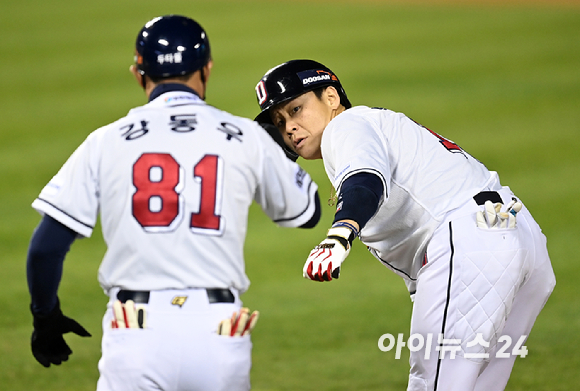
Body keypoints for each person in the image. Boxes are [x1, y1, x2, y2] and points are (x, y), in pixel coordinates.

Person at [26, 17, 321, 391]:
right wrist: (268, 148)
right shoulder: (244, 135)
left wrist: (45, 317)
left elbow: (45, 249)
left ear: (139, 73)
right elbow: (307, 212)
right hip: (219, 334)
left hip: (134, 333)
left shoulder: (105, 140)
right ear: (206, 70)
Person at [253, 59, 555, 391]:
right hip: (517, 236)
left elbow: (364, 181)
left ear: (331, 97)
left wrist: (339, 236)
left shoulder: (345, 128)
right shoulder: (375, 123)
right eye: (280, 122)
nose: (289, 128)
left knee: (434, 384)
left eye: (296, 109)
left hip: (472, 246)